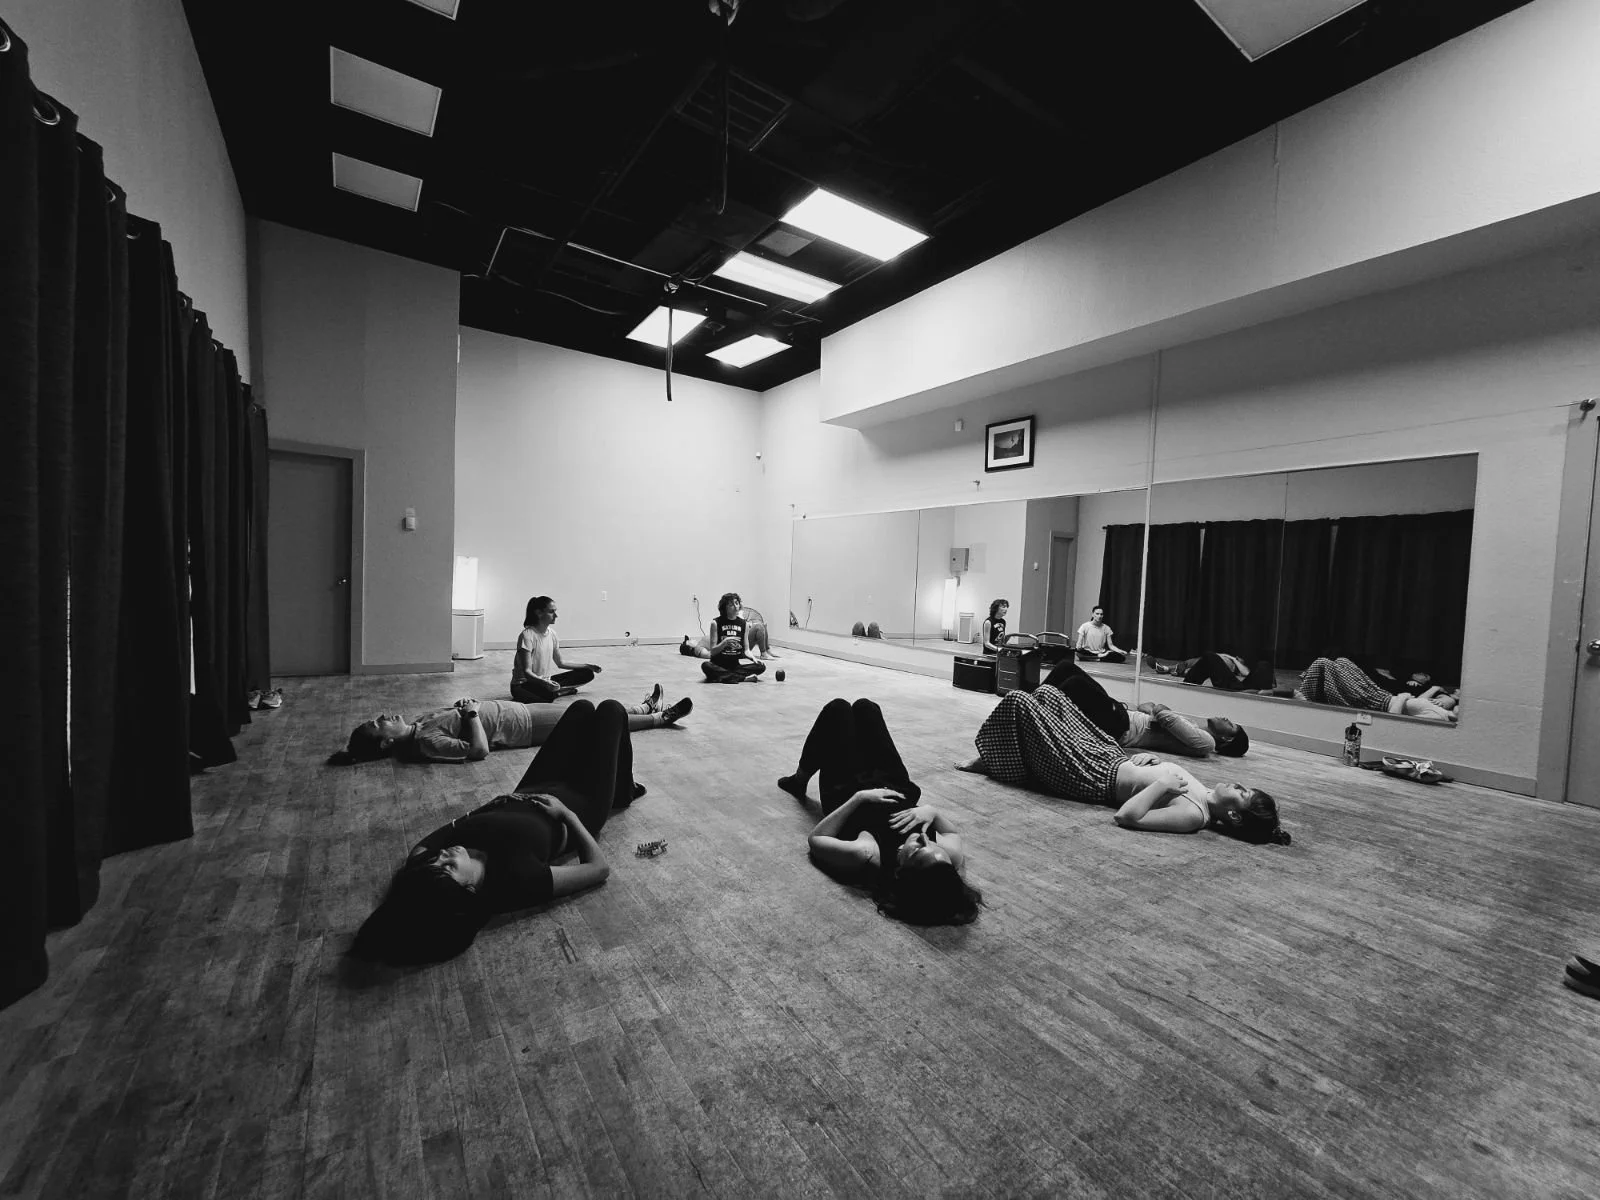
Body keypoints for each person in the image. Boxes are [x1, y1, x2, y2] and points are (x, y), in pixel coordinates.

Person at [349, 699, 639, 965]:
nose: (443, 856)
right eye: (449, 867)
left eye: (435, 862)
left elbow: (418, 862)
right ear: (468, 889)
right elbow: (599, 869)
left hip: (531, 789)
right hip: (580, 805)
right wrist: (567, 814)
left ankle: (616, 781)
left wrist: (486, 808)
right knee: (611, 711)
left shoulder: (427, 867)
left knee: (582, 709)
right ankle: (621, 793)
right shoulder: (516, 881)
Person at [962, 684, 1288, 842]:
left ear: (1233, 815)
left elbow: (1127, 816)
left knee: (1019, 701)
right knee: (1049, 692)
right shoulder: (1204, 795)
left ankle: (1000, 764)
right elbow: (1162, 778)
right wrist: (1153, 763)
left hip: (1092, 775)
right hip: (1111, 755)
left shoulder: (1193, 816)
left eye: (1242, 793)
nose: (1237, 785)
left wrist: (1160, 783)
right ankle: (1009, 759)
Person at [779, 698, 982, 925]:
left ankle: (799, 780)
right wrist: (931, 811)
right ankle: (801, 778)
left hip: (847, 788)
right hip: (896, 784)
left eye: (917, 850)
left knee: (838, 709)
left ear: (901, 872)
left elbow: (817, 839)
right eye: (932, 844)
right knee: (866, 708)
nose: (926, 838)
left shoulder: (867, 854)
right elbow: (953, 835)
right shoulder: (941, 861)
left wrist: (860, 798)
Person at [328, 687, 692, 765]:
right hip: (524, 728)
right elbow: (478, 752)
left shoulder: (419, 723)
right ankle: (660, 718)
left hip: (516, 711)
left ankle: (641, 707)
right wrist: (470, 715)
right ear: (386, 745)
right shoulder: (424, 742)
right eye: (379, 725)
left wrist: (465, 708)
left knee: (594, 712)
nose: (384, 716)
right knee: (597, 723)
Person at [1042, 659, 1249, 758]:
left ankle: (1034, 713)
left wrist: (1159, 710)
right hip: (1122, 715)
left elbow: (1161, 712)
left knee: (1075, 684)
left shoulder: (1206, 742)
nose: (1225, 718)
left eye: (1230, 724)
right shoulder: (1195, 729)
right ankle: (1030, 702)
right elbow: (1146, 706)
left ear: (1227, 739)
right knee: (1065, 668)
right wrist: (1158, 711)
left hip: (1122, 727)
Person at [1298, 656, 1458, 721]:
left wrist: (1403, 697)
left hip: (1376, 702)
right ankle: (1309, 679)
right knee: (1342, 661)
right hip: (1381, 694)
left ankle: (1304, 695)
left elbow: (1393, 720)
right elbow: (1445, 699)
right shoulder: (1441, 707)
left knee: (1323, 663)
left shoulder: (1438, 718)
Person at [512, 596, 602, 702]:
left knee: (586, 673)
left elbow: (560, 663)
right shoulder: (527, 636)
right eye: (551, 612)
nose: (556, 615)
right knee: (547, 696)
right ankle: (559, 692)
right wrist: (545, 683)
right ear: (539, 613)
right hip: (523, 685)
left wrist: (587, 666)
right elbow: (527, 672)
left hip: (544, 682)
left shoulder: (552, 634)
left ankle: (556, 691)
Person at [702, 592, 766, 683]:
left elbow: (746, 650)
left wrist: (753, 659)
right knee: (706, 665)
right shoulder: (715, 623)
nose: (735, 606)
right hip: (718, 665)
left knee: (761, 666)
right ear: (725, 608)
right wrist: (724, 643)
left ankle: (725, 676)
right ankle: (742, 678)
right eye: (731, 604)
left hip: (735, 667)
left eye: (736, 603)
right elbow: (712, 651)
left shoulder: (744, 624)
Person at [1180, 651, 1277, 692]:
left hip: (1237, 689)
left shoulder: (1242, 666)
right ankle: (1182, 677)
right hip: (1242, 687)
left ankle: (1186, 687)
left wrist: (1234, 659)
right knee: (1208, 657)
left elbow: (1245, 673)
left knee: (1209, 657)